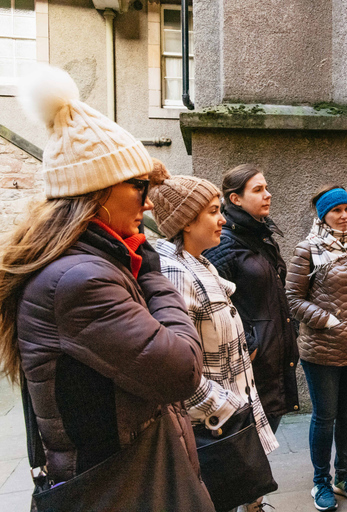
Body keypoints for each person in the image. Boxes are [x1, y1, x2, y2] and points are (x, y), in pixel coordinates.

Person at [0, 66, 213, 510]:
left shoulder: (87, 267)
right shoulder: (80, 281)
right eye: (138, 186)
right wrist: (150, 265)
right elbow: (181, 370)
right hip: (119, 488)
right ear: (95, 194)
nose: (150, 201)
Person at [148, 162, 279, 512]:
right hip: (212, 432)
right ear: (186, 221)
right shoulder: (176, 272)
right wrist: (225, 408)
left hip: (230, 422)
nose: (223, 219)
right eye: (213, 211)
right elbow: (176, 366)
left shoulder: (200, 263)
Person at [285, 186, 347, 511]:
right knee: (325, 417)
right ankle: (320, 483)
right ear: (323, 215)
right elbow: (293, 299)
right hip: (322, 349)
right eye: (336, 210)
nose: (344, 216)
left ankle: (345, 477)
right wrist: (326, 320)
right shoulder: (307, 249)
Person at [205, 164, 300, 433]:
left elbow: (276, 291)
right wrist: (249, 343)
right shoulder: (223, 243)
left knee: (266, 441)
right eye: (258, 190)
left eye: (266, 188)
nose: (268, 194)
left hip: (273, 357)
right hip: (250, 364)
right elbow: (215, 304)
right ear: (235, 199)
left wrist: (291, 329)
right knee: (249, 448)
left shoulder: (262, 235)